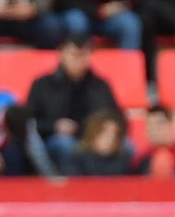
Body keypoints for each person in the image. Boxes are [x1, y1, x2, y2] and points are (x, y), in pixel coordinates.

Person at [24, 33, 117, 170]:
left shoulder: (100, 86)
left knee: (126, 146)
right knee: (66, 145)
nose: (78, 60)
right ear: (62, 54)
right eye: (73, 54)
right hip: (54, 139)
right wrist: (54, 126)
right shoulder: (43, 84)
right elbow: (29, 122)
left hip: (92, 137)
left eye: (83, 55)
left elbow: (114, 116)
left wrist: (104, 133)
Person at [64, 109, 133, 176]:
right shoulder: (77, 160)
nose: (110, 138)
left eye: (115, 133)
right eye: (104, 133)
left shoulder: (124, 161)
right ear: (92, 133)